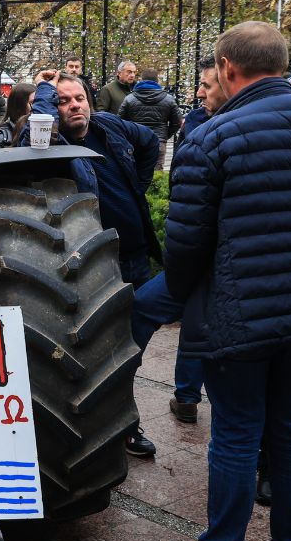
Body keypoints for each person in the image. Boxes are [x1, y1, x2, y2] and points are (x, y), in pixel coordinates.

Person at [153, 21, 291, 541]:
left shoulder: (212, 138)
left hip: (241, 315)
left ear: (228, 68)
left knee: (236, 434)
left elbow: (185, 243)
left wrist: (176, 300)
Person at [21, 71, 163, 456]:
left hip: (133, 259)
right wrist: (46, 90)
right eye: (63, 101)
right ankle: (109, 428)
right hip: (94, 266)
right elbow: (29, 142)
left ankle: (124, 423)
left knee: (129, 350)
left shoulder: (110, 127)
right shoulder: (54, 145)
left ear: (90, 99)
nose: (74, 106)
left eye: (78, 98)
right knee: (101, 353)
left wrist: (140, 182)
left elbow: (150, 142)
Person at [130, 56, 226, 426]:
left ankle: (186, 396)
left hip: (214, 257)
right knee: (163, 311)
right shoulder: (200, 120)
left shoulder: (221, 132)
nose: (199, 92)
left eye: (207, 85)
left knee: (193, 321)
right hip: (199, 255)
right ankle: (135, 388)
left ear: (230, 77)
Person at [117, 68, 181, 170]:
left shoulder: (129, 99)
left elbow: (120, 122)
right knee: (155, 176)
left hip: (135, 142)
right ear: (157, 80)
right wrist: (164, 136)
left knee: (135, 173)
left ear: (141, 80)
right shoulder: (168, 99)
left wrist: (130, 135)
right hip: (158, 142)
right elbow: (177, 122)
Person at [0, 80, 36, 148]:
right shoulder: (2, 138)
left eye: (39, 101)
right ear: (19, 105)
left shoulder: (38, 129)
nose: (38, 106)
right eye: (33, 102)